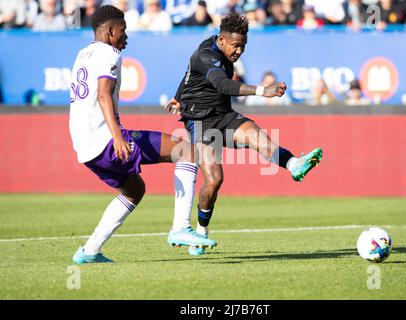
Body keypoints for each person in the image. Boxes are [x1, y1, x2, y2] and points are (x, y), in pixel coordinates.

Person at [164, 13, 323, 256]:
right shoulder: (207, 54)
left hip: (223, 114)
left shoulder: (217, 50)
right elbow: (223, 85)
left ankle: (293, 164)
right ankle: (200, 233)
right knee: (215, 180)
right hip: (199, 120)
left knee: (256, 136)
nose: (239, 51)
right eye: (236, 45)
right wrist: (263, 90)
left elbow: (188, 74)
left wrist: (177, 95)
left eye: (243, 46)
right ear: (222, 39)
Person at [69, 5, 216, 264]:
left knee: (134, 190)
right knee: (187, 151)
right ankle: (181, 226)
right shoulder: (109, 53)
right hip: (105, 141)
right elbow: (103, 95)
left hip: (84, 148)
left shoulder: (83, 53)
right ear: (110, 31)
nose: (126, 38)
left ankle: (90, 251)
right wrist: (117, 137)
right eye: (123, 31)